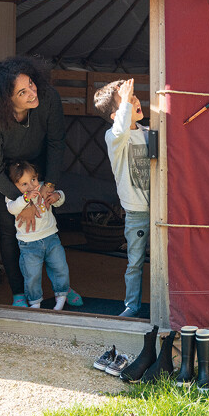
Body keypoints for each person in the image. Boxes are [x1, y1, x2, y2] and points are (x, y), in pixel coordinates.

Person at [0, 56, 81, 308]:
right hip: (7, 178)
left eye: (32, 84)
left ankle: (62, 287)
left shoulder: (48, 98)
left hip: (40, 169)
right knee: (10, 231)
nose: (32, 93)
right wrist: (20, 202)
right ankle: (19, 292)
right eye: (22, 92)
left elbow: (56, 142)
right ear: (7, 99)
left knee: (49, 227)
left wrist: (49, 183)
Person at [93, 77, 150, 317]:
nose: (134, 101)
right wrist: (125, 100)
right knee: (135, 262)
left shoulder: (150, 132)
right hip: (137, 212)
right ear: (117, 115)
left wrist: (126, 100)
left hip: (163, 209)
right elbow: (120, 130)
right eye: (127, 101)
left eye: (134, 98)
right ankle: (131, 307)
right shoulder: (114, 137)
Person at [5, 159, 70, 309]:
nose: (32, 186)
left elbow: (59, 198)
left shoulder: (42, 188)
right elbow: (12, 208)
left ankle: (61, 295)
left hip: (51, 238)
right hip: (29, 244)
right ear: (14, 186)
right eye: (24, 184)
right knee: (32, 274)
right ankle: (35, 302)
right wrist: (26, 199)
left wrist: (57, 197)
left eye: (33, 179)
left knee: (60, 266)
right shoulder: (15, 197)